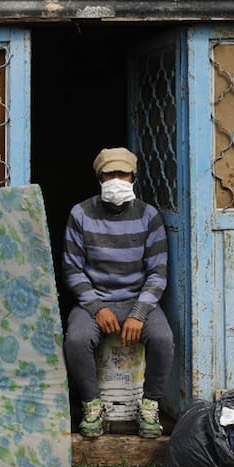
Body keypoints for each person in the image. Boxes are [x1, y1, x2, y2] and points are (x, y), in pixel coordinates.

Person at [61, 147, 173, 439]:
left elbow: (157, 272)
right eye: (109, 174)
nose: (116, 180)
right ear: (99, 178)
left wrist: (139, 313)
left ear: (133, 177)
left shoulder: (149, 216)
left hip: (137, 299)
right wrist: (97, 308)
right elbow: (72, 269)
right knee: (76, 340)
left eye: (122, 174)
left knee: (163, 339)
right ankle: (91, 405)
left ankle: (150, 405)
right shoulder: (80, 214)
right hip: (95, 300)